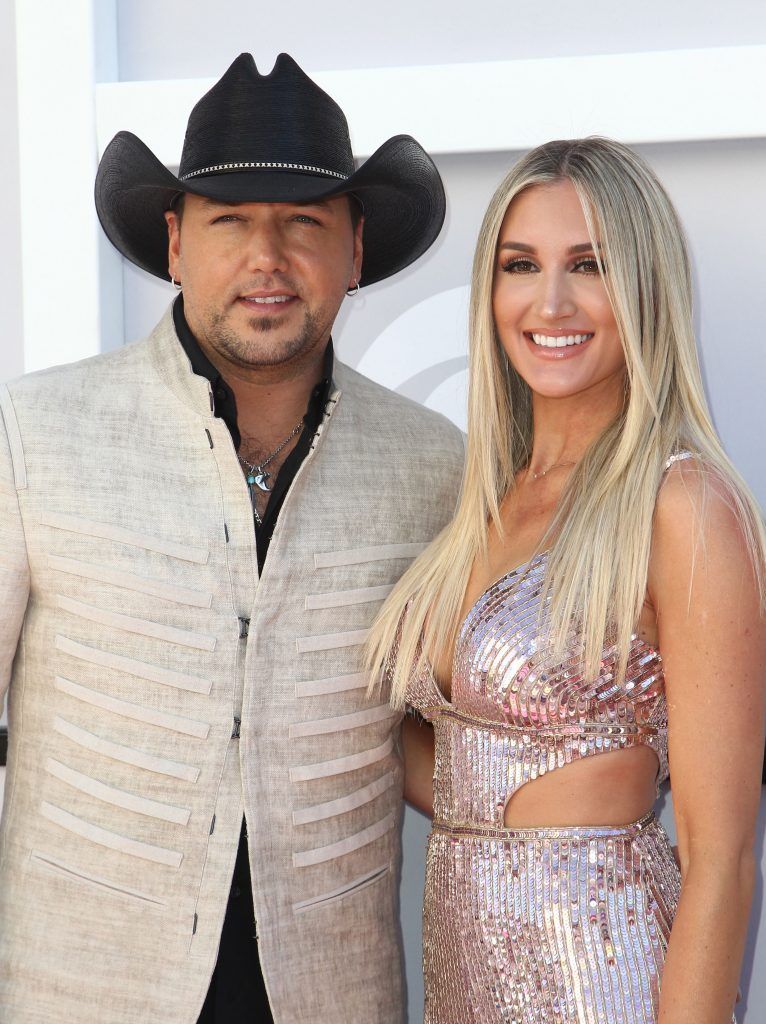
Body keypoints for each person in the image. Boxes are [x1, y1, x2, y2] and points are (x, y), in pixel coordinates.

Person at [0, 53, 464, 1024]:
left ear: (354, 248)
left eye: (302, 224)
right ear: (173, 243)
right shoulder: (33, 435)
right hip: (81, 990)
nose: (267, 258)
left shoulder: (434, 467)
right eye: (228, 223)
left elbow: (446, 728)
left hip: (329, 994)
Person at [368, 137, 766, 1023]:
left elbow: (722, 856)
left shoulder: (683, 505)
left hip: (602, 979)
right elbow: (482, 781)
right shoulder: (483, 499)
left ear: (645, 287)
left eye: (589, 265)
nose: (550, 301)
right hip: (465, 981)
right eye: (521, 265)